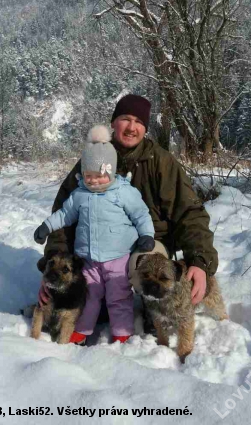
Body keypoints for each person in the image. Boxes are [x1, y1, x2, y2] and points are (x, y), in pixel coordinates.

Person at [39, 94, 218, 313]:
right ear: (113, 122)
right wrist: (53, 268)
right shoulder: (93, 159)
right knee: (85, 302)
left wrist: (199, 261)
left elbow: (190, 212)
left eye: (140, 122)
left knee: (144, 266)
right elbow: (64, 214)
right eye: (126, 118)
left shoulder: (161, 162)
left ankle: (154, 309)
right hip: (99, 246)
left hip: (148, 244)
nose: (132, 127)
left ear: (145, 129)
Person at [34, 125, 155, 344]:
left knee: (118, 297)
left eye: (99, 176)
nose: (93, 181)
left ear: (111, 172)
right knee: (89, 296)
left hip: (118, 258)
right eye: (88, 176)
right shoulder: (80, 194)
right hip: (88, 259)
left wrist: (146, 234)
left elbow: (141, 214)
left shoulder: (124, 192)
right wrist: (46, 227)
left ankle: (122, 332)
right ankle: (82, 330)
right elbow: (64, 215)